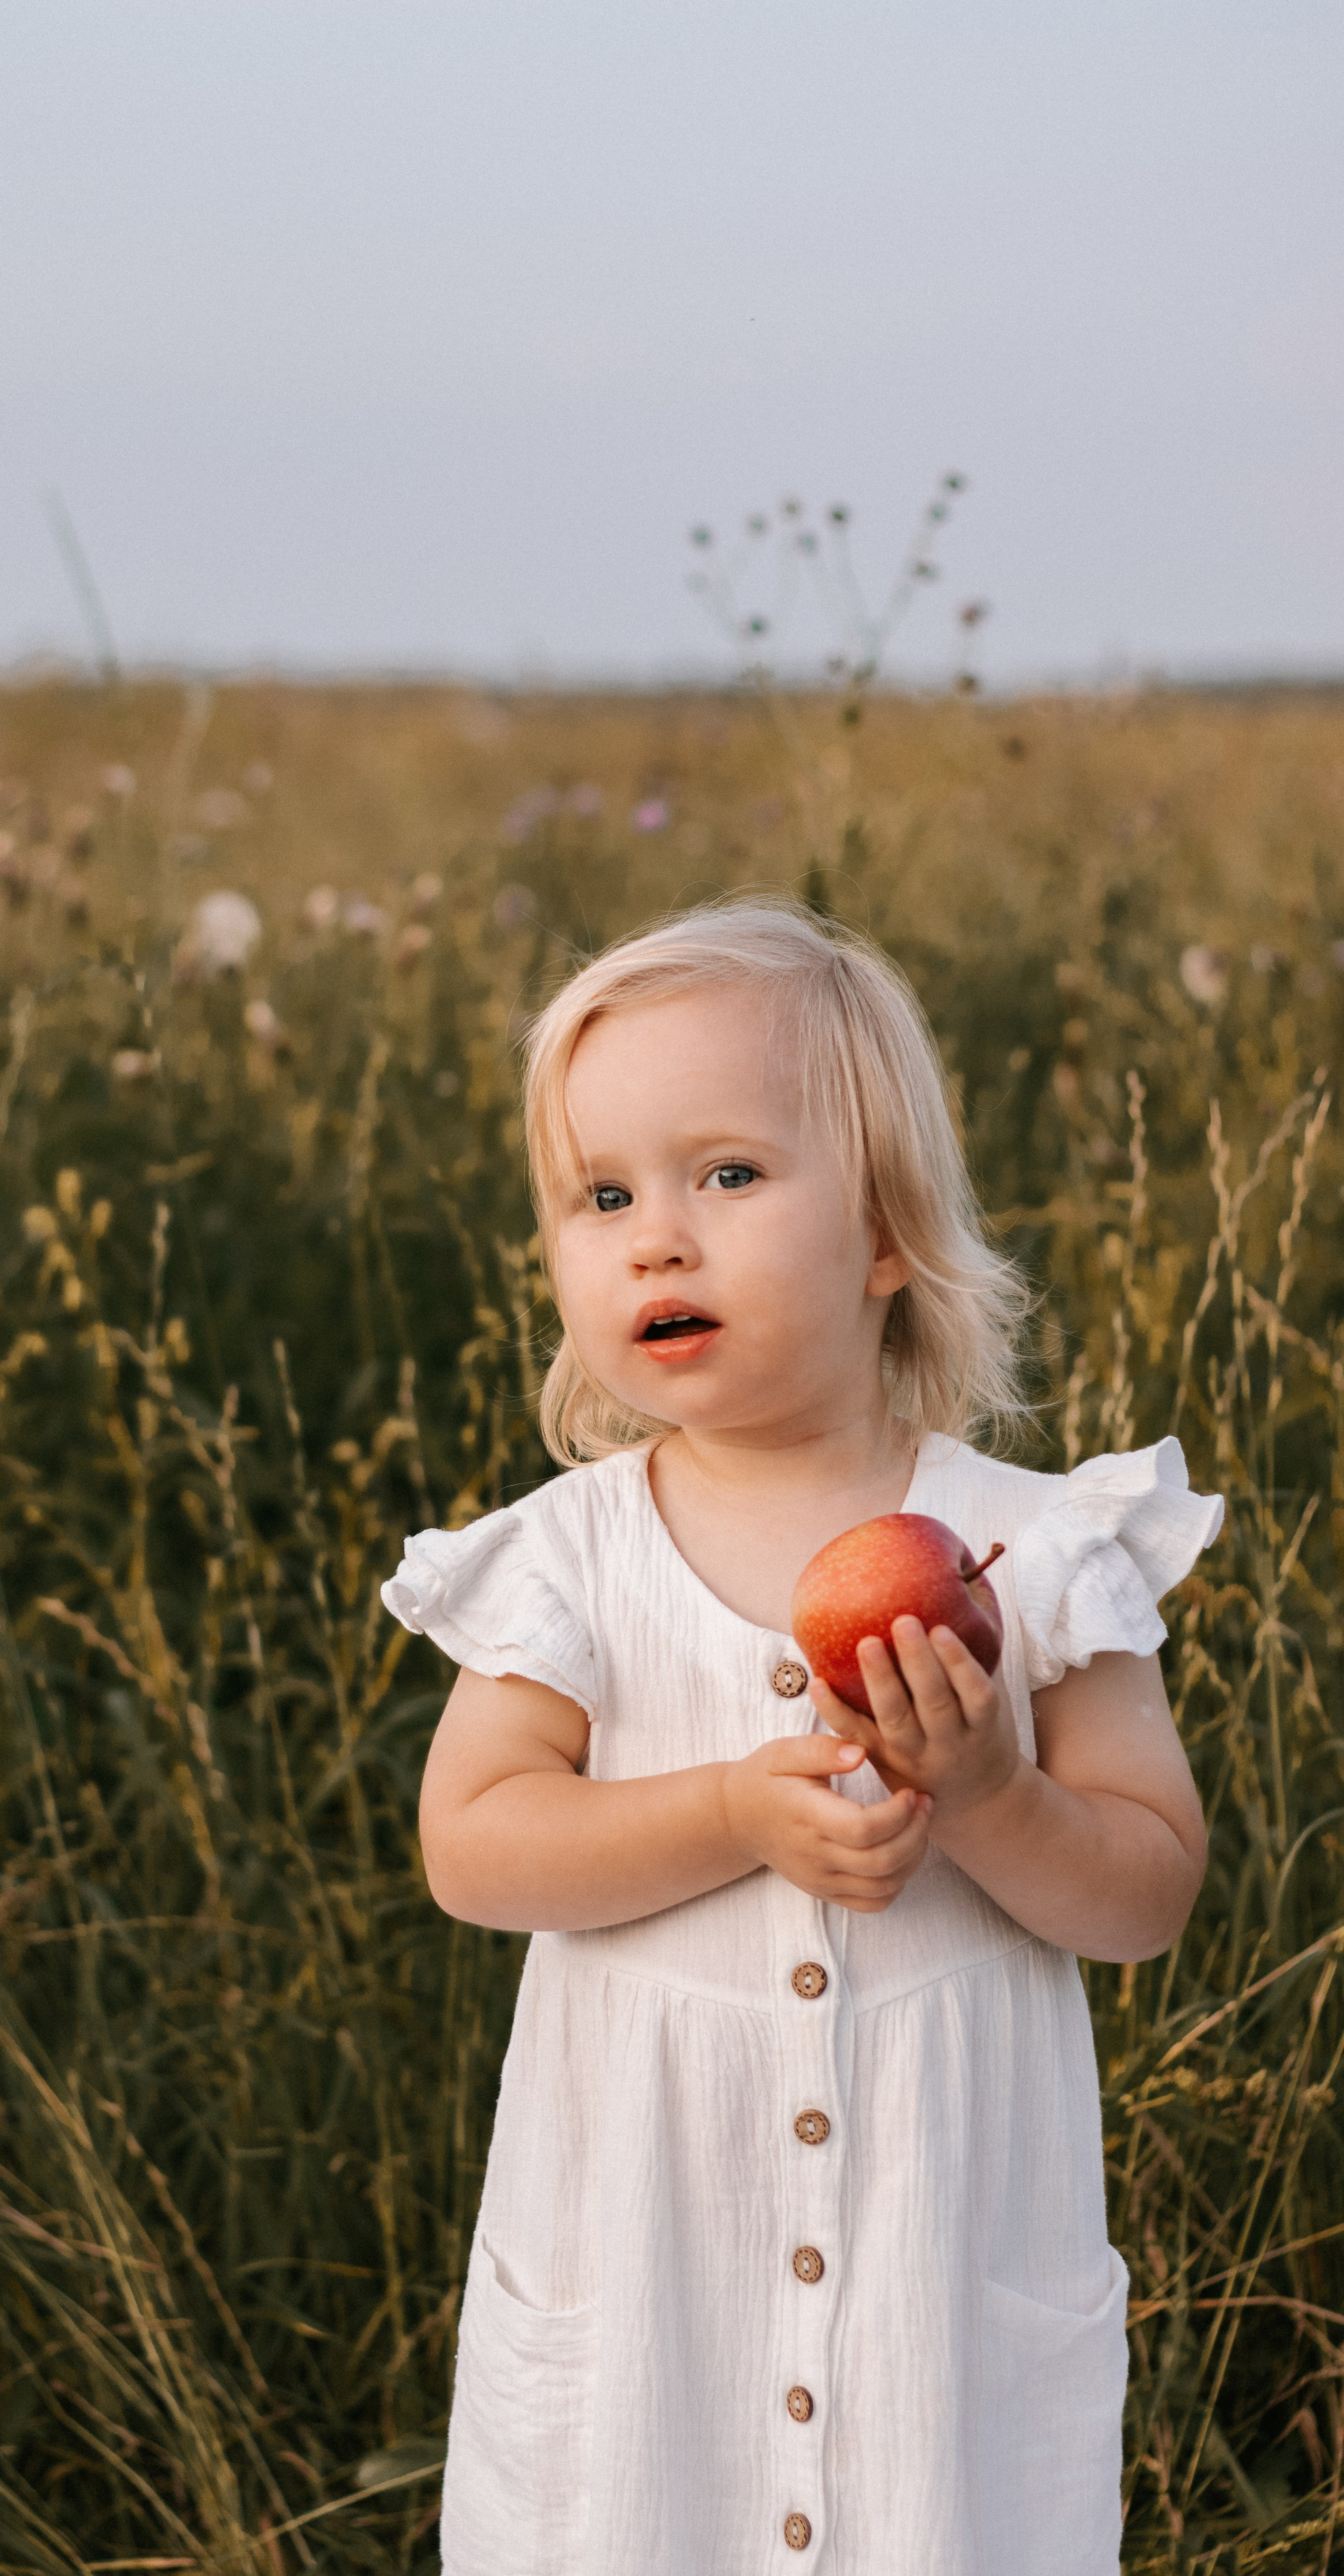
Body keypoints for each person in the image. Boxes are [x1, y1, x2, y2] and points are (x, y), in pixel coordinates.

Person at [382, 901, 1222, 2576]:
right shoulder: (574, 1553)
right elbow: (472, 1847)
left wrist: (987, 1788)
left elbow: (1143, 1893)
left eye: (728, 1176)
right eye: (601, 1196)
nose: (656, 1241)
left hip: (936, 2294)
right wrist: (722, 1809)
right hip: (642, 2301)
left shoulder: (1030, 1554)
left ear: (886, 1232)